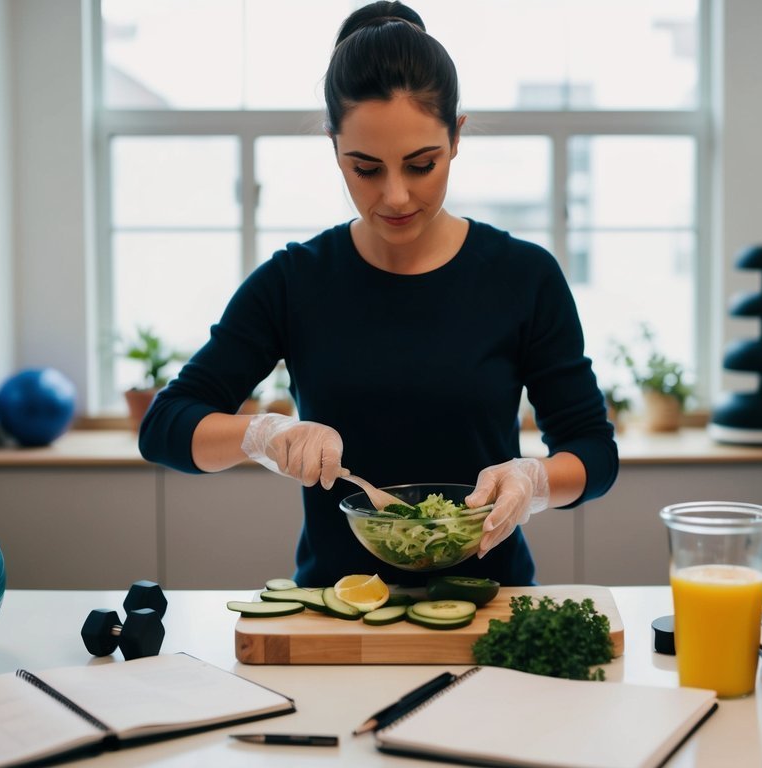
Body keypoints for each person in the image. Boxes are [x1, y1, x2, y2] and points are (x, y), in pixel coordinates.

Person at [139, 1, 618, 587]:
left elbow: (592, 450)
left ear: (457, 137)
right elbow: (164, 426)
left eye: (422, 164)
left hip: (491, 608)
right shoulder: (295, 282)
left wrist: (534, 479)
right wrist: (265, 434)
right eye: (365, 168)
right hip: (337, 614)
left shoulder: (524, 277)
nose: (395, 196)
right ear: (333, 146)